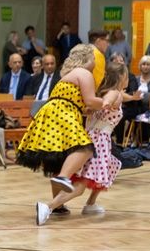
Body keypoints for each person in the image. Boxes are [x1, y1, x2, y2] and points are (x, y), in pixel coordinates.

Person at [15, 44, 108, 225]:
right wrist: (105, 102)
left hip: (51, 112)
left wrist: (88, 108)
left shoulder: (67, 76)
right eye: (94, 59)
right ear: (87, 59)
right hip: (63, 112)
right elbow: (90, 100)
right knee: (85, 149)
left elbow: (80, 103)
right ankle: (63, 177)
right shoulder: (84, 73)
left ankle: (57, 205)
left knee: (58, 158)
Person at [54, 63, 127, 215]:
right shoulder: (115, 93)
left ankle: (91, 203)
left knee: (110, 167)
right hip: (99, 141)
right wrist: (107, 103)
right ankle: (49, 206)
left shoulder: (99, 93)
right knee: (83, 182)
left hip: (90, 136)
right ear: (122, 78)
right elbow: (112, 97)